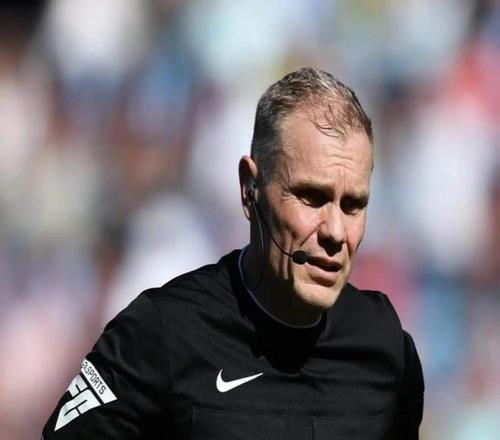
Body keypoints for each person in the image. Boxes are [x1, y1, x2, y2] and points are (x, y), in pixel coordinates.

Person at [42, 67, 424, 439]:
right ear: (249, 189)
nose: (335, 232)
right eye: (311, 197)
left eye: (353, 205)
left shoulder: (385, 346)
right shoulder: (162, 334)